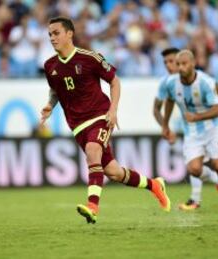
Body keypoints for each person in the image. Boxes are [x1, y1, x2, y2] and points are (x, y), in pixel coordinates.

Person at [40, 17, 170, 224]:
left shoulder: (90, 58)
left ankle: (92, 206)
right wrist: (49, 105)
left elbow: (114, 81)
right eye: (50, 34)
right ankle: (154, 185)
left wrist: (113, 110)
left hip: (99, 116)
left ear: (69, 34)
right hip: (77, 125)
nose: (52, 38)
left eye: (56, 33)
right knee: (114, 172)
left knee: (93, 151)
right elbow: (56, 89)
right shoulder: (50, 65)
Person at [162, 49, 218, 213]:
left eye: (184, 64)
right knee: (194, 169)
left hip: (213, 129)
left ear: (193, 64)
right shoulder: (172, 83)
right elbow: (169, 100)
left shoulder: (205, 82)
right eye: (178, 64)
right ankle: (215, 182)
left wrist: (196, 117)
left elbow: (217, 109)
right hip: (192, 133)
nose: (180, 67)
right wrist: (165, 124)